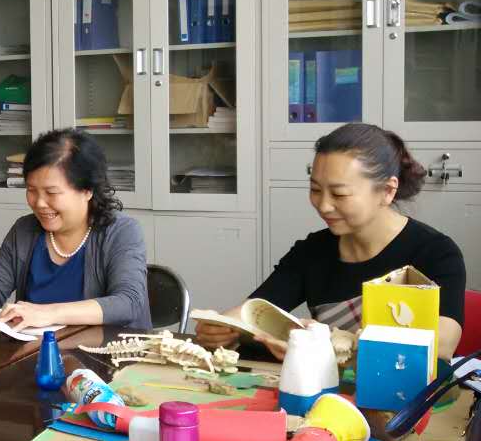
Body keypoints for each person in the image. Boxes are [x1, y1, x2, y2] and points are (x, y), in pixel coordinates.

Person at [196, 123, 465, 360]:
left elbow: (444, 343)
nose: (323, 205)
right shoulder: (312, 251)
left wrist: (327, 342)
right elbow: (255, 311)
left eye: (339, 194)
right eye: (315, 189)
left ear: (387, 190)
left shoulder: (435, 252)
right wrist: (222, 328)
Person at [0, 129, 150, 331]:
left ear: (87, 191)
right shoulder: (25, 230)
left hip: (105, 349)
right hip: (36, 348)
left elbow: (129, 302)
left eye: (52, 192)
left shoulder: (121, 231)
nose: (39, 203)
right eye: (31, 190)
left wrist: (49, 313)